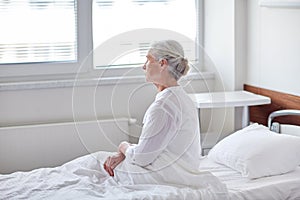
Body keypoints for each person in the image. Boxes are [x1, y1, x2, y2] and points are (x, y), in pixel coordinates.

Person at [103, 40, 204, 187]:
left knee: (97, 164)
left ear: (162, 64)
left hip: (168, 176)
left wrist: (123, 146)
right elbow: (153, 147)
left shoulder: (163, 107)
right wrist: (126, 152)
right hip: (180, 171)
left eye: (148, 60)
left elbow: (141, 158)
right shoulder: (182, 98)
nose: (143, 66)